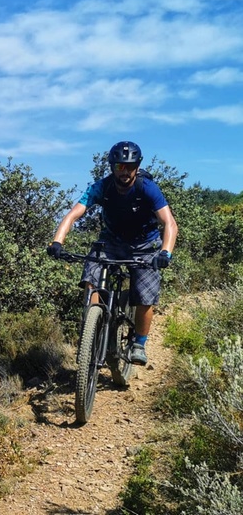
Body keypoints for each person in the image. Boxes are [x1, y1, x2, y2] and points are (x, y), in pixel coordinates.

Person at [47, 141, 178, 366]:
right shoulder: (102, 187)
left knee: (145, 295)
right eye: (119, 167)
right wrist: (57, 242)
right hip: (112, 241)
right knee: (91, 275)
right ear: (112, 167)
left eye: (129, 166)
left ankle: (139, 343)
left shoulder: (147, 188)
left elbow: (169, 223)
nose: (124, 171)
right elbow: (72, 215)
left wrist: (165, 252)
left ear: (137, 167)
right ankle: (94, 325)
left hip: (144, 245)